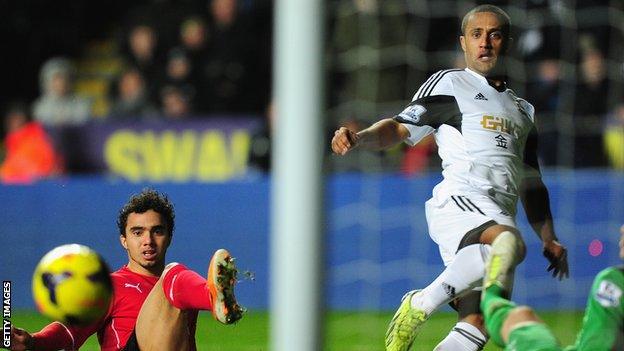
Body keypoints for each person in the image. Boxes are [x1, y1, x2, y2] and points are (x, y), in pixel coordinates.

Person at [330, 4, 569, 351]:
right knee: (509, 243)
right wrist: (360, 137)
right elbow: (399, 127)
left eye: (494, 34)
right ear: (463, 42)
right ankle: (421, 303)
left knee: (478, 322)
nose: (485, 42)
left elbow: (531, 179)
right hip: (461, 201)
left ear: (508, 43)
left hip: (501, 212)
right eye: (476, 34)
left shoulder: (523, 110)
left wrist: (548, 238)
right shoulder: (451, 83)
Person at [8, 189, 244, 351]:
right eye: (137, 232)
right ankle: (213, 296)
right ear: (124, 240)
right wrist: (33, 341)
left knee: (173, 280)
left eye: (157, 231)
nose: (148, 241)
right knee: (172, 273)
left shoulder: (180, 289)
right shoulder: (109, 287)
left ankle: (215, 296)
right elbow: (69, 333)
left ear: (169, 237)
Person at [481, 226, 624, 350]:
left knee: (513, 319)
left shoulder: (614, 281)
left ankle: (491, 290)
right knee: (524, 315)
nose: (622, 229)